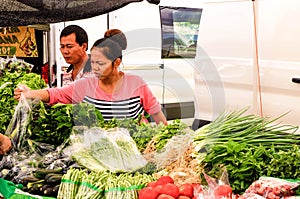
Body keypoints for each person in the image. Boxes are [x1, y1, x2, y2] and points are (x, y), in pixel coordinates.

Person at [14, 37, 167, 125]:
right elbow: (55, 94)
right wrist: (30, 93)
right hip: (99, 153)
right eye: (92, 62)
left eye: (100, 63)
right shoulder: (86, 85)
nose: (95, 68)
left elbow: (157, 116)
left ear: (117, 62)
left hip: (134, 151)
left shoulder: (136, 84)